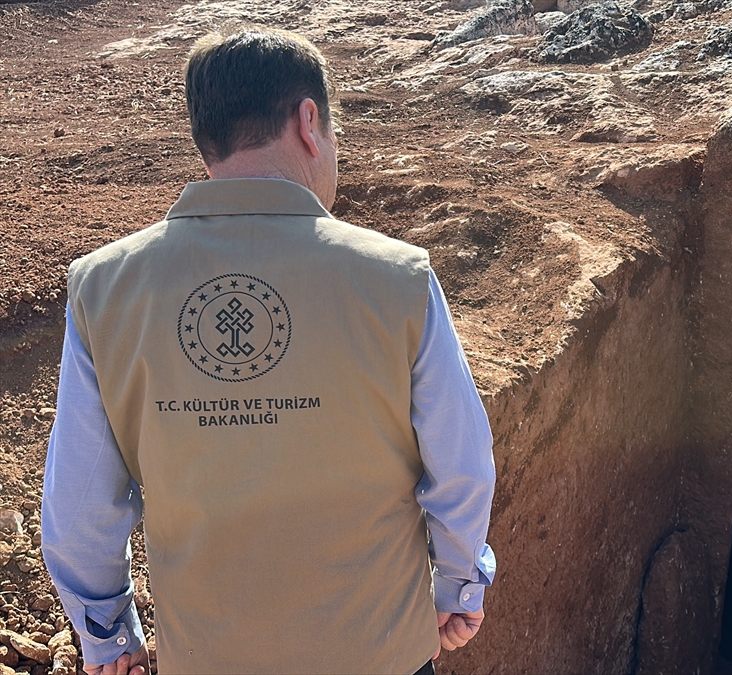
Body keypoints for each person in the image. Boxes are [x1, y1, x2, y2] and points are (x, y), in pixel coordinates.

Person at [40, 27, 496, 675]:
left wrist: (109, 635)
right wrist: (457, 586)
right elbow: (461, 468)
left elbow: (79, 506)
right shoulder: (400, 278)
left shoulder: (102, 287)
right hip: (381, 651)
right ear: (309, 123)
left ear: (207, 136)